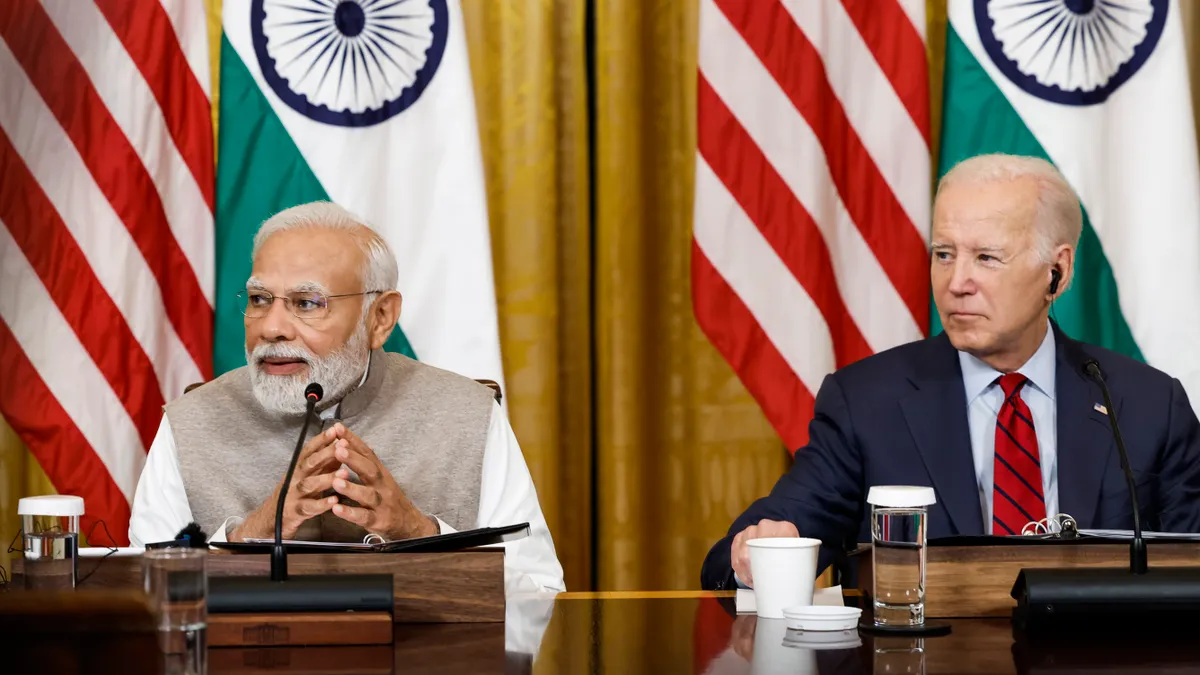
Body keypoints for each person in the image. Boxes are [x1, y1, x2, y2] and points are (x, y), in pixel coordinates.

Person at [701, 154, 1200, 590]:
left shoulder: (1147, 406)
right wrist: (755, 554)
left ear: (1058, 271)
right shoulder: (867, 403)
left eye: (986, 258)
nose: (957, 282)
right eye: (944, 254)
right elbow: (746, 551)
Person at [129, 202, 565, 593]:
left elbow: (542, 596)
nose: (271, 327)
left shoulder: (466, 413)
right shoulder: (191, 421)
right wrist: (253, 535)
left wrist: (416, 529)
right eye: (260, 299)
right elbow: (140, 604)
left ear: (379, 318)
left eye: (306, 303)